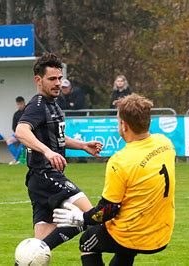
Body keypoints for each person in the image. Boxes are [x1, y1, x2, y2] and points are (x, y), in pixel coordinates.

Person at [53, 94, 176, 266]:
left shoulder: (120, 161)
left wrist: (81, 217)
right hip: (162, 232)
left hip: (133, 234)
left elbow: (107, 211)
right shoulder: (165, 144)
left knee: (87, 243)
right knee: (125, 250)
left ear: (124, 125)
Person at [15, 52, 103, 252]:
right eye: (52, 79)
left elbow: (56, 138)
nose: (58, 83)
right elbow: (21, 131)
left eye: (60, 78)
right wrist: (48, 152)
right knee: (89, 215)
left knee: (37, 252)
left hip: (39, 181)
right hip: (46, 175)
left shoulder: (53, 105)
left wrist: (82, 145)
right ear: (38, 80)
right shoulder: (37, 105)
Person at [6, 96, 26, 165]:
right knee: (9, 141)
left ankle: (15, 159)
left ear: (24, 103)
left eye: (21, 104)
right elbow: (13, 127)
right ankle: (18, 159)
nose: (20, 106)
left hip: (28, 134)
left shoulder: (28, 111)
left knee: (24, 142)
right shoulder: (16, 114)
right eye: (18, 104)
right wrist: (17, 134)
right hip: (18, 133)